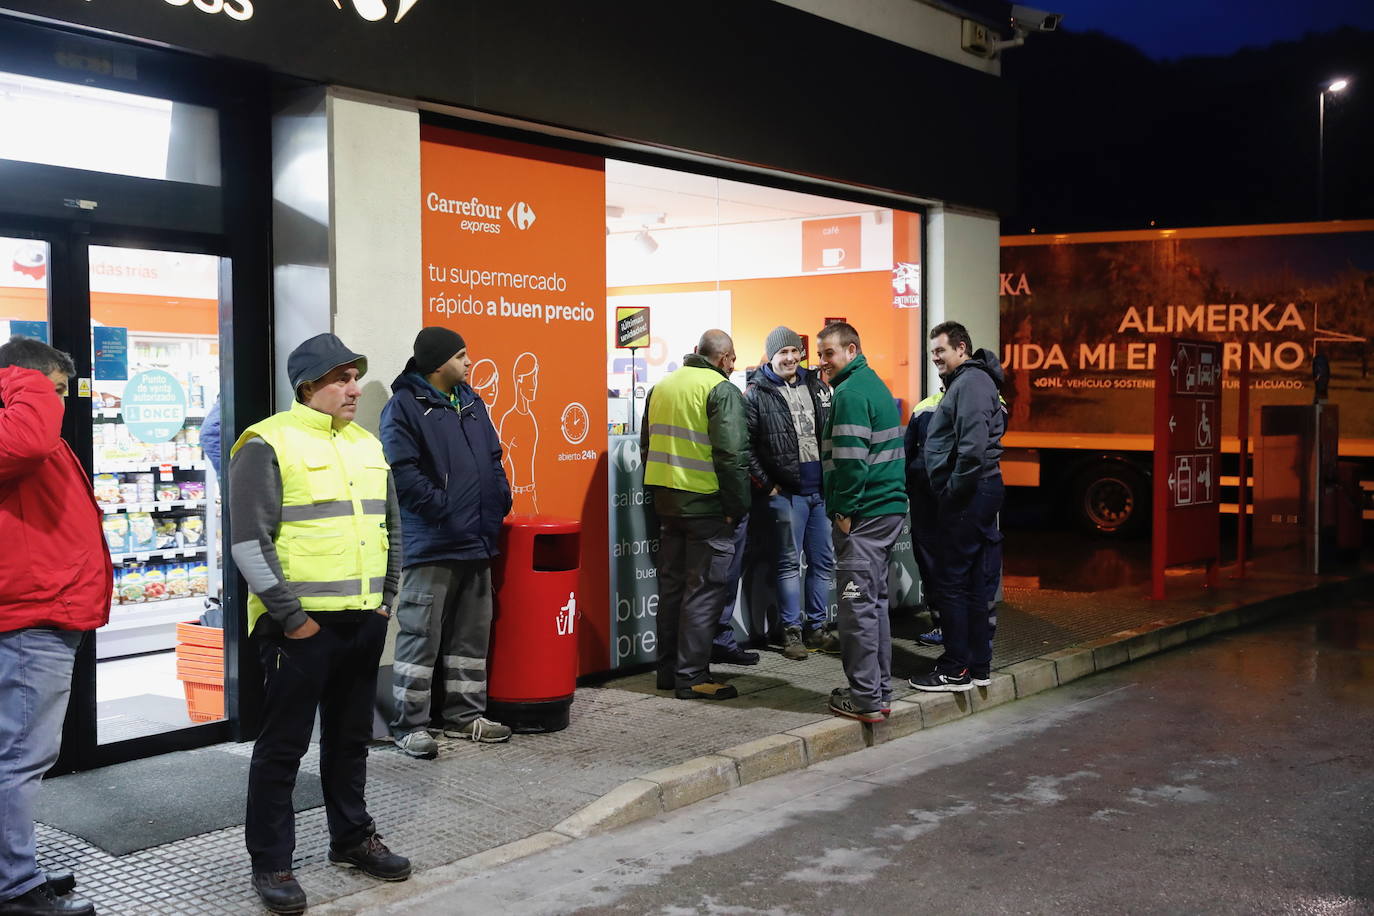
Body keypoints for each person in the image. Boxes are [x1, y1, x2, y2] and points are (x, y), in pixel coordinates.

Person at [229, 333, 409, 915]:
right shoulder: (266, 443)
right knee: (282, 748)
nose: (354, 388)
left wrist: (386, 600)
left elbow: (392, 532)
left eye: (355, 377)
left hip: (363, 621)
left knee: (350, 740)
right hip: (299, 629)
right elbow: (248, 544)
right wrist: (293, 619)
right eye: (341, 379)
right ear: (308, 385)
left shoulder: (366, 445)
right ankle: (273, 861)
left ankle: (352, 838)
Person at [0, 337, 104, 916]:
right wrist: (27, 381)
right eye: (56, 391)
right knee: (19, 757)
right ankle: (14, 889)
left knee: (17, 754)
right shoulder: (18, 427)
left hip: (44, 612)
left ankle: (14, 868)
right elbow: (29, 439)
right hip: (28, 618)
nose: (60, 405)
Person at [380, 327, 513, 758]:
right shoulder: (403, 407)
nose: (469, 362)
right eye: (461, 355)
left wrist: (498, 503)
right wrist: (443, 509)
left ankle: (465, 718)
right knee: (420, 637)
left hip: (476, 541)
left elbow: (493, 459)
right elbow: (401, 472)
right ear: (438, 364)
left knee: (470, 639)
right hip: (433, 543)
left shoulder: (472, 402)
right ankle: (409, 725)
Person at [641, 329, 750, 700]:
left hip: (668, 505)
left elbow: (646, 447)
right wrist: (736, 508)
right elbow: (732, 456)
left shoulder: (661, 387)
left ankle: (669, 672)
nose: (733, 368)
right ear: (724, 358)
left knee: (672, 591)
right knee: (703, 593)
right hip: (707, 506)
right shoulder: (720, 390)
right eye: (732, 361)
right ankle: (693, 677)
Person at [815, 322, 908, 723]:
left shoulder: (851, 393)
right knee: (874, 606)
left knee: (856, 610)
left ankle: (866, 699)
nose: (823, 363)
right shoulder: (872, 384)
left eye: (829, 354)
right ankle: (878, 691)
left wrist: (844, 512)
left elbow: (851, 463)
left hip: (864, 515)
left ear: (851, 350)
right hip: (886, 510)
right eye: (820, 355)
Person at [909, 321, 1006, 693]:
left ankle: (955, 668)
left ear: (961, 348)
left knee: (952, 582)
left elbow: (972, 447)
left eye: (941, 351)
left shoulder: (970, 383)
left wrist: (950, 493)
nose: (935, 358)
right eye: (932, 352)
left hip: (969, 494)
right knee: (971, 584)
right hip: (977, 492)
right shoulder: (971, 382)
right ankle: (977, 666)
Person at [745, 326, 834, 661]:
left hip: (820, 492)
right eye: (783, 352)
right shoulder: (757, 391)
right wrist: (768, 485)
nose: (791, 358)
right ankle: (791, 633)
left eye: (795, 351)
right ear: (771, 355)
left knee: (822, 562)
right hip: (787, 495)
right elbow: (746, 447)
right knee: (787, 565)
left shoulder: (816, 384)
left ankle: (817, 629)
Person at [904, 390, 946, 647]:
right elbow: (909, 454)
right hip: (926, 499)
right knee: (929, 561)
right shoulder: (923, 408)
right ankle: (941, 622)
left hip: (950, 500)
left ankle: (951, 625)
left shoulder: (978, 396)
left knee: (948, 563)